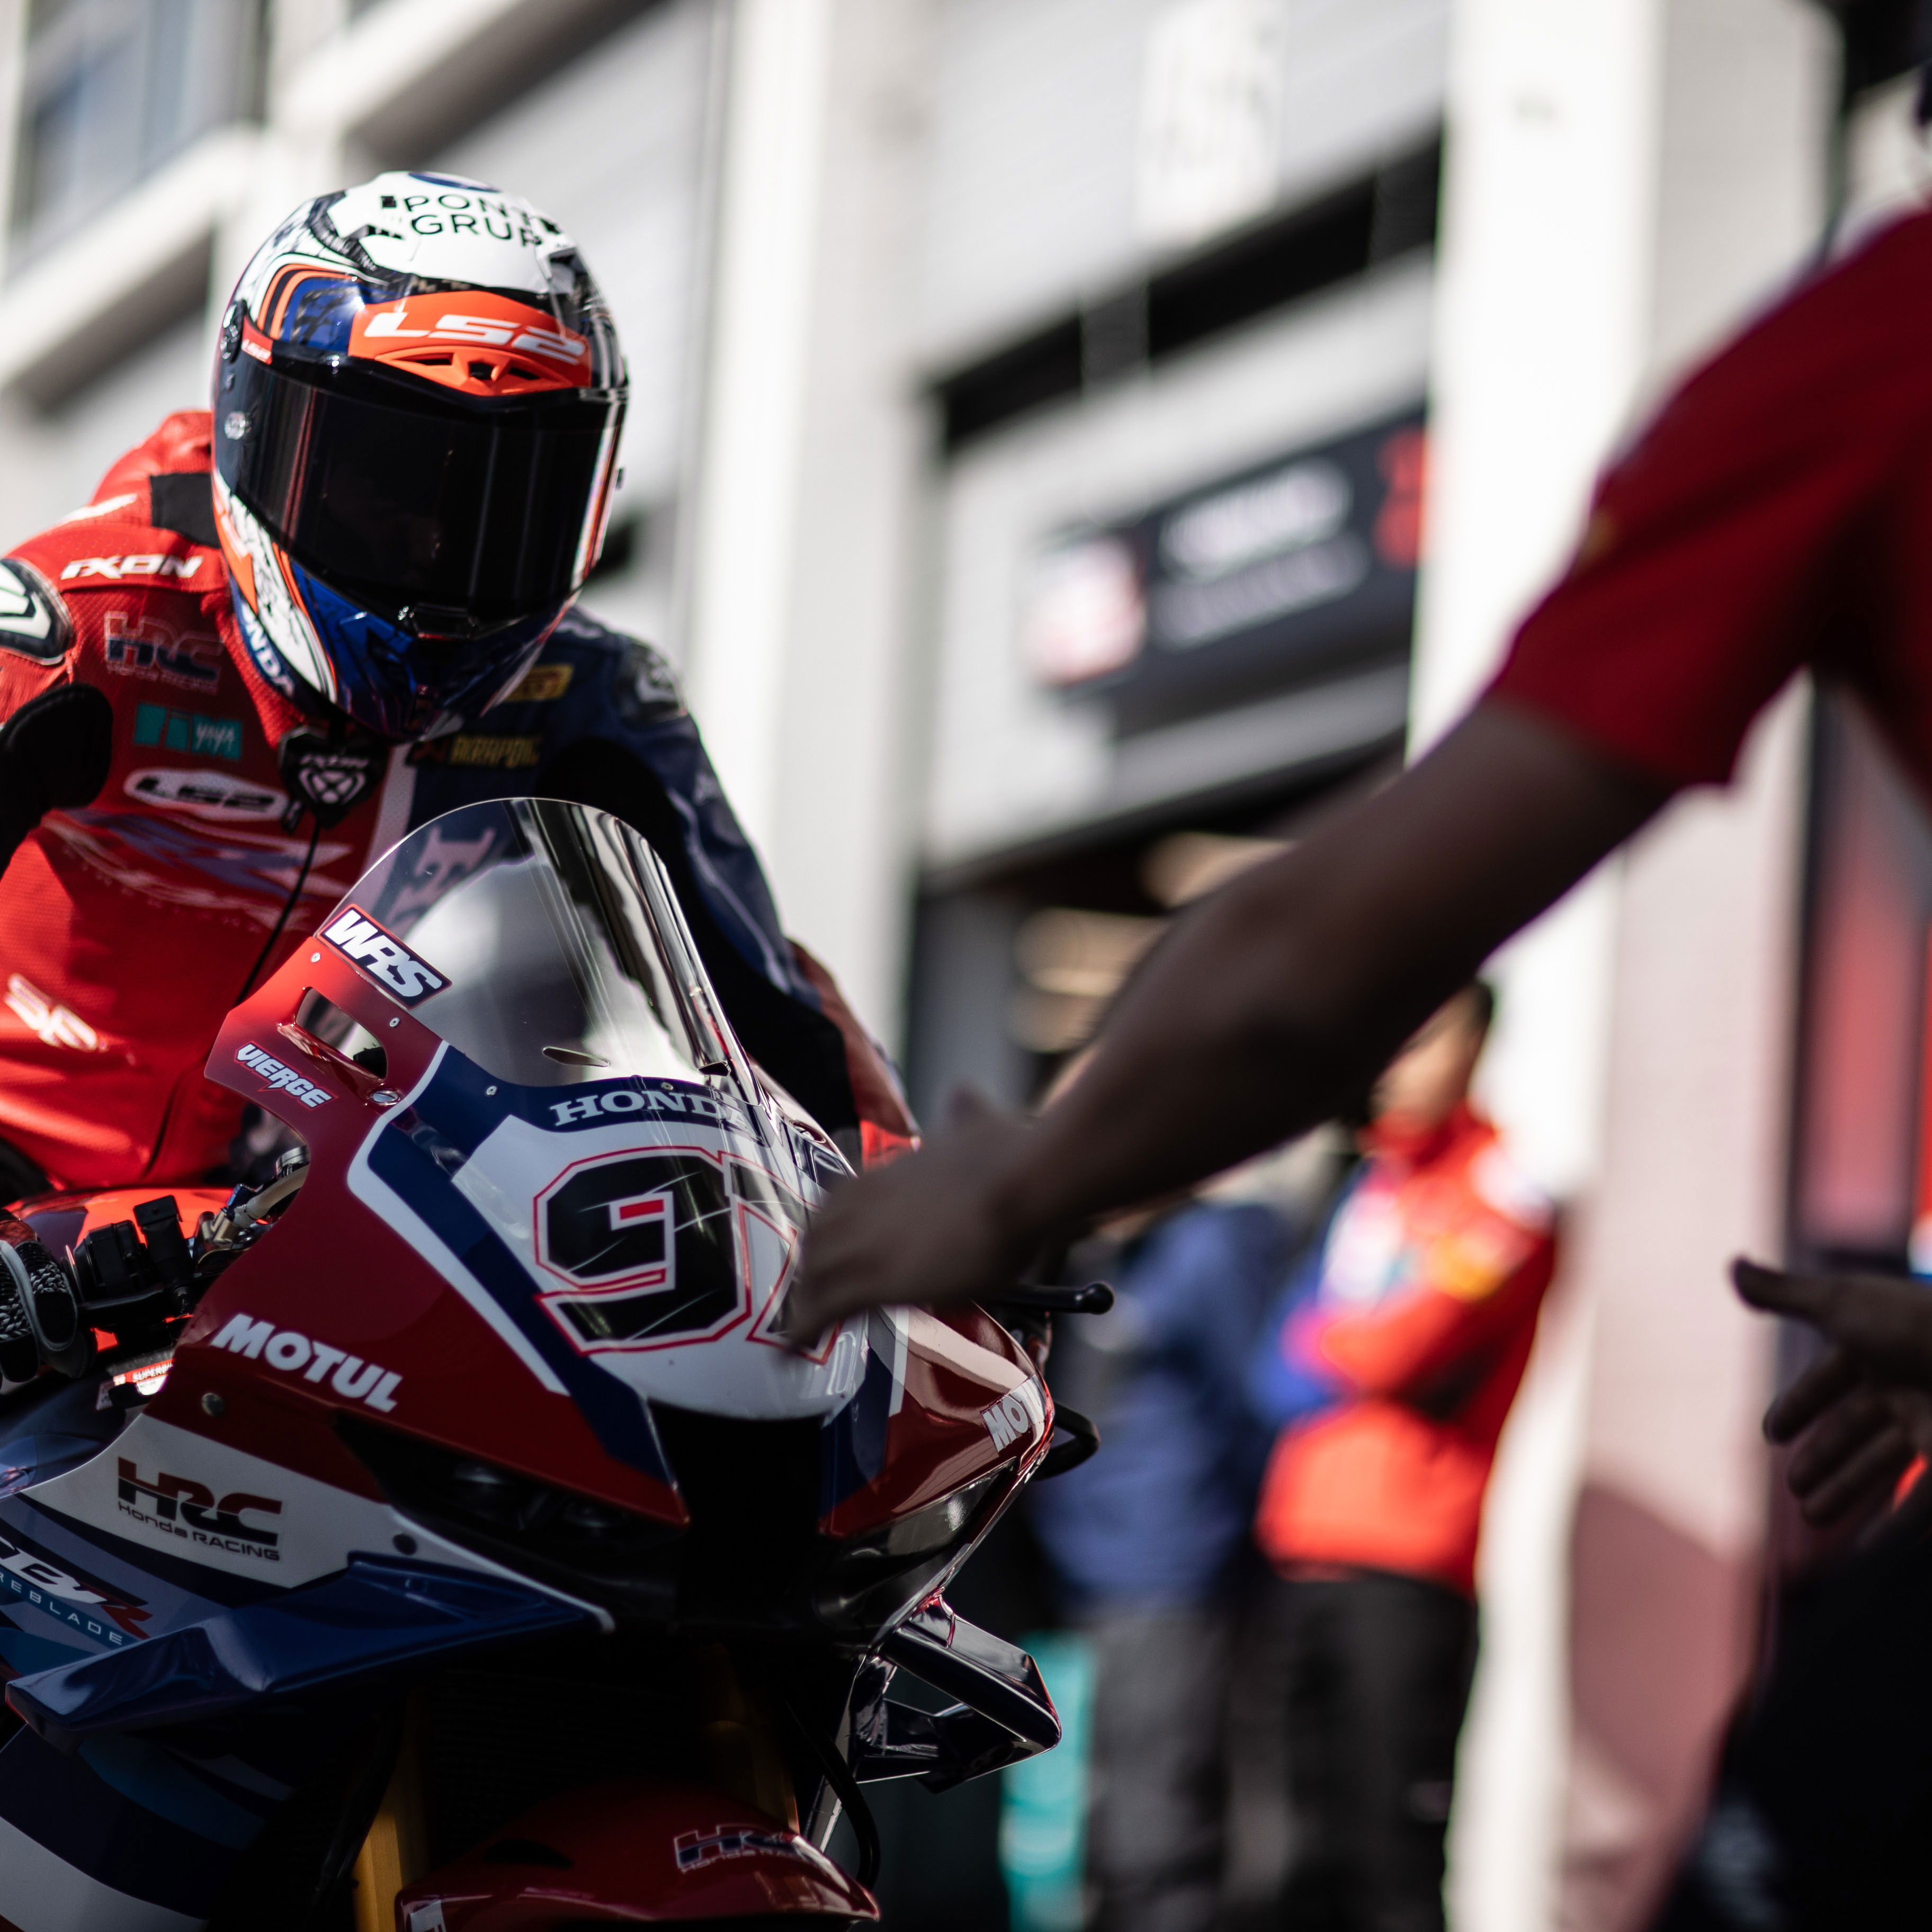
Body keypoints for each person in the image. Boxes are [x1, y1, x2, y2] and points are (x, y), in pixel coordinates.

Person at [0, 172, 911, 1233]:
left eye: (502, 504)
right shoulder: (83, 617)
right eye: (380, 484)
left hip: (297, 1245)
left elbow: (769, 1014)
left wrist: (908, 1218)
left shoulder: (589, 693)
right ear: (252, 423)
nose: (433, 551)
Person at [1248, 983, 1553, 1932]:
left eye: (1427, 1036)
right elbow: (1273, 1361)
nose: (1401, 1060)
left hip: (1410, 1573)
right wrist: (1337, 1348)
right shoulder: (1371, 1184)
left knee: (1392, 1868)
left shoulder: (1503, 1190)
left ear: (1477, 1043)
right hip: (1301, 1553)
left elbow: (1394, 1347)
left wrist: (1331, 1348)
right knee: (1285, 1865)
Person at [1029, 1186, 1288, 1932]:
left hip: (1169, 1568)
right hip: (1091, 1571)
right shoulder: (1106, 1250)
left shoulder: (1212, 1246)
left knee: (1156, 1822)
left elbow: (1253, 1409)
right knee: (1102, 1817)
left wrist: (1222, 1545)